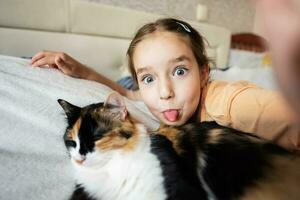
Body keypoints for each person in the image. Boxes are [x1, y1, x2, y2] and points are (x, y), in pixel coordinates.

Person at [31, 18, 299, 152]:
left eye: (180, 71)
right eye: (149, 78)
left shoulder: (230, 103)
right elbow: (128, 92)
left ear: (204, 73)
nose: (165, 92)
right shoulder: (151, 98)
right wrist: (84, 71)